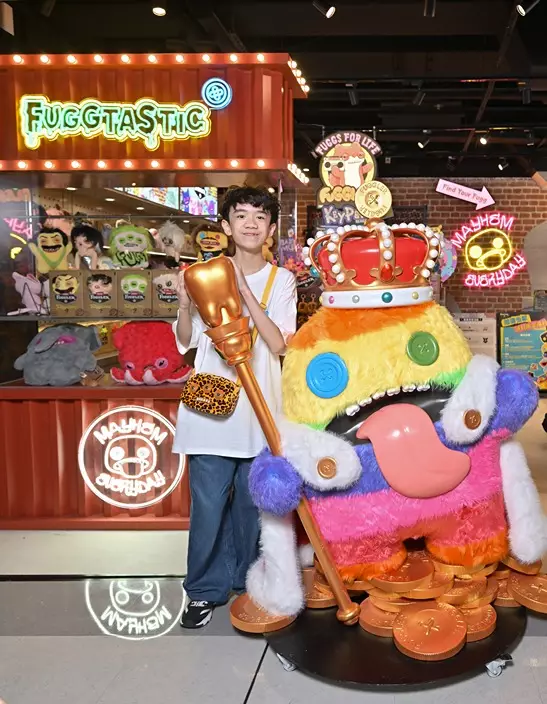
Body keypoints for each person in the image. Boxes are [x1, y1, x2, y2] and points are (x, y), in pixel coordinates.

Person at [173, 186, 297, 629]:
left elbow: (280, 344)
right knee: (207, 507)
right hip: (209, 409)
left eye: (259, 217)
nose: (250, 224)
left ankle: (247, 584)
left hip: (259, 411)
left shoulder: (282, 280)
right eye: (241, 215)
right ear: (226, 226)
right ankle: (202, 591)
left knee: (251, 507)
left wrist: (244, 292)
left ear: (270, 228)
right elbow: (186, 341)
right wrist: (184, 305)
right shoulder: (203, 274)